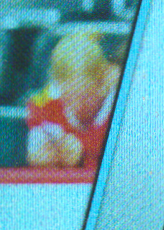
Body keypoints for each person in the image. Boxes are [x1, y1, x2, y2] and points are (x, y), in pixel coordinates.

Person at [26, 31, 122, 169]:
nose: (77, 107)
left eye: (85, 97)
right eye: (69, 99)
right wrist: (43, 154)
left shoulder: (122, 107)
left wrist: (85, 153)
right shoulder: (45, 105)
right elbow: (34, 153)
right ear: (59, 87)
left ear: (102, 84)